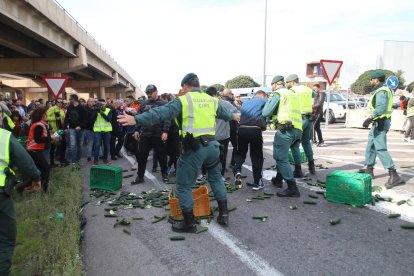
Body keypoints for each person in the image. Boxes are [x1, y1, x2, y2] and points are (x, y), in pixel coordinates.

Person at [118, 73, 240, 232]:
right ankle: (224, 215)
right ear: (198, 84)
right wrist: (234, 115)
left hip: (194, 149)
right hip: (213, 147)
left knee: (183, 186)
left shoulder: (184, 100)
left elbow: (160, 113)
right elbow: (226, 114)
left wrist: (137, 120)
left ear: (185, 86)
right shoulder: (212, 100)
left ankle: (189, 223)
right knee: (216, 179)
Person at [0, 104, 41, 276]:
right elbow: (26, 163)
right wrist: (36, 177)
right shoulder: (4, 137)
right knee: (5, 238)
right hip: (1, 196)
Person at [359, 71, 405, 189]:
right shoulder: (381, 90)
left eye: (371, 79)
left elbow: (381, 108)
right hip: (377, 122)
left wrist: (370, 118)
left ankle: (394, 174)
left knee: (380, 148)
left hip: (380, 122)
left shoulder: (382, 91)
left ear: (376, 80)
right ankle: (369, 170)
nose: (370, 81)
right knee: (371, 146)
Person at [262, 75, 303, 197]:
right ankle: (278, 179)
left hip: (286, 131)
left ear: (274, 84)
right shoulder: (292, 93)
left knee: (280, 157)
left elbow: (266, 112)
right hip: (298, 129)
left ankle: (292, 188)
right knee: (283, 156)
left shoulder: (278, 93)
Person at [131, 84, 170, 184]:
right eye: (147, 93)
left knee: (162, 157)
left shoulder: (164, 103)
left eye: (150, 93)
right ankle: (140, 177)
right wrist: (136, 129)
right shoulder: (144, 104)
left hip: (158, 134)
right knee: (142, 156)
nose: (148, 95)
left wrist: (165, 131)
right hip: (145, 134)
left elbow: (167, 118)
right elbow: (139, 117)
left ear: (156, 92)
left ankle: (164, 175)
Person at [233, 90, 268, 190]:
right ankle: (257, 182)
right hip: (255, 130)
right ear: (262, 95)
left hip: (242, 129)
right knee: (256, 156)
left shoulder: (245, 103)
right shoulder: (264, 101)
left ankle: (237, 171)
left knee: (241, 153)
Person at [285, 74, 316, 176]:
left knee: (295, 144)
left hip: (299, 120)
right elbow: (316, 95)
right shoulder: (307, 89)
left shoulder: (292, 91)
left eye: (288, 82)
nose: (287, 84)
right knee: (306, 142)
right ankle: (312, 166)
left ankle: (298, 170)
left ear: (292, 82)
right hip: (309, 119)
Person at [26, 107, 57, 192]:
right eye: (45, 113)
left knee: (40, 170)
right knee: (46, 169)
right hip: (34, 151)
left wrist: (50, 136)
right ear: (42, 115)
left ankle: (35, 188)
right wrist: (50, 137)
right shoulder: (39, 125)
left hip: (34, 150)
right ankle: (44, 190)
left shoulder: (39, 124)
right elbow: (38, 139)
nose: (47, 115)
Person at [64, 94, 87, 166]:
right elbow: (66, 117)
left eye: (70, 99)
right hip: (72, 129)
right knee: (73, 145)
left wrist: (80, 126)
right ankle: (73, 161)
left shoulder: (82, 107)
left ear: (74, 99)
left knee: (80, 146)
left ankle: (78, 160)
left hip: (81, 129)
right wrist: (65, 127)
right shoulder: (69, 107)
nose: (70, 100)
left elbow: (85, 119)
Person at [46, 98, 67, 167]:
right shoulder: (52, 109)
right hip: (54, 130)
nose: (60, 103)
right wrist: (55, 119)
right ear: (56, 102)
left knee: (62, 144)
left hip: (60, 130)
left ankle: (61, 159)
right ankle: (52, 162)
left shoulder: (61, 110)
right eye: (58, 102)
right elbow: (45, 117)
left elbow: (63, 120)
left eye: (61, 102)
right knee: (53, 146)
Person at [92, 99, 113, 165]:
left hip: (106, 131)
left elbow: (109, 119)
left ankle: (105, 159)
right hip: (97, 131)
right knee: (97, 145)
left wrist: (102, 113)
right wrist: (96, 112)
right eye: (101, 105)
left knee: (106, 146)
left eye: (103, 104)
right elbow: (91, 120)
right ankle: (96, 160)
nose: (102, 106)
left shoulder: (108, 110)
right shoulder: (95, 110)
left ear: (106, 104)